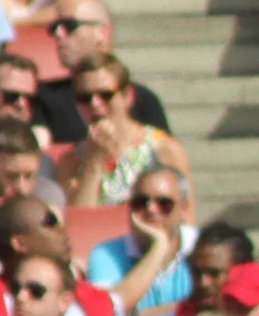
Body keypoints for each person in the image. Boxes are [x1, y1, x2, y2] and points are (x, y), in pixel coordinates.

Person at [34, 0, 169, 149]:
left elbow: (163, 158)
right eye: (54, 28)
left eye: (69, 26)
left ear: (102, 33)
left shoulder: (143, 99)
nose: (58, 34)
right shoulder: (42, 97)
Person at [65, 56, 191, 209]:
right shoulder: (71, 160)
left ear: (127, 96)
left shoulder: (163, 149)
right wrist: (94, 163)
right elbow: (81, 222)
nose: (95, 104)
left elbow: (185, 215)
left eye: (106, 95)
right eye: (85, 98)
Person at [85, 167, 193, 316]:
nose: (151, 209)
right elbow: (104, 313)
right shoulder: (105, 254)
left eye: (164, 203)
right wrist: (158, 247)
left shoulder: (201, 248)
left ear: (184, 209)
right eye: (140, 202)